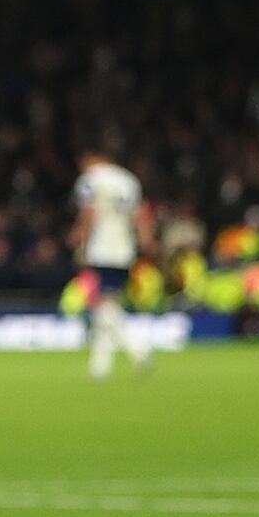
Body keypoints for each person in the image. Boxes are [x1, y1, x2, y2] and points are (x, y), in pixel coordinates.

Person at [70, 148, 154, 378]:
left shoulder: (90, 180)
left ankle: (139, 348)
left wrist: (80, 240)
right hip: (124, 248)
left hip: (101, 248)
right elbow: (140, 213)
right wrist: (146, 241)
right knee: (109, 303)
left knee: (104, 306)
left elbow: (89, 212)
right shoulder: (127, 180)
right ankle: (100, 365)